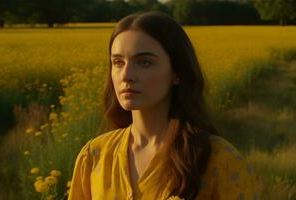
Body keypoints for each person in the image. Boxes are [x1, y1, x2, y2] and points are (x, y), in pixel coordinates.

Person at [68, 11, 259, 200]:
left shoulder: (221, 161)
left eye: (144, 62)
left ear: (177, 72)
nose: (126, 75)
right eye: (118, 62)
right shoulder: (95, 156)